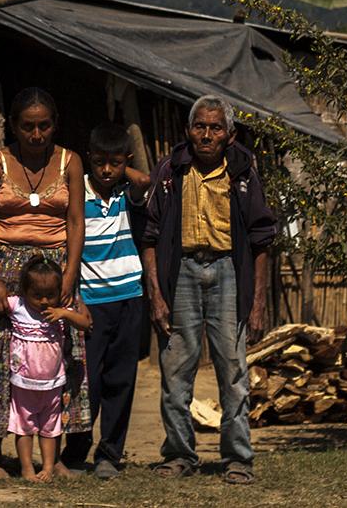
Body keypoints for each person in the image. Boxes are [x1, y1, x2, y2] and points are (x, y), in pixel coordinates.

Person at [0, 87, 92, 479]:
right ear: (13, 126)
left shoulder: (70, 162)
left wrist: (71, 276)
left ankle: (51, 459)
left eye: (44, 126)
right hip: (3, 267)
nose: (36, 134)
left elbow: (76, 221)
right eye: (28, 127)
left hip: (53, 270)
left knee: (54, 360)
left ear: (54, 125)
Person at [139, 95, 277, 485]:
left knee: (233, 371)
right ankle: (180, 454)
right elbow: (148, 235)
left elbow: (262, 239)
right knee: (176, 370)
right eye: (200, 126)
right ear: (188, 130)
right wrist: (156, 295)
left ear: (229, 135)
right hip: (179, 271)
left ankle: (237, 459)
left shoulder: (244, 172)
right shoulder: (170, 171)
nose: (206, 134)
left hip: (228, 271)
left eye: (216, 128)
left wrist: (258, 302)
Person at [62, 121, 151, 478]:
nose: (106, 170)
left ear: (126, 161)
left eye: (114, 163)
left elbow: (144, 181)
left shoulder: (127, 192)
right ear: (88, 159)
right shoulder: (78, 192)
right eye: (99, 162)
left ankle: (109, 454)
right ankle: (77, 449)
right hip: (92, 302)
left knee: (121, 378)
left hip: (129, 297)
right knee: (87, 381)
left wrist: (120, 166)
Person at [6, 255, 93, 481]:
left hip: (53, 383)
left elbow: (85, 323)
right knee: (23, 427)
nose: (44, 301)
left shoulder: (60, 312)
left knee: (50, 428)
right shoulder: (18, 306)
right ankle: (27, 469)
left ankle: (47, 467)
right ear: (25, 292)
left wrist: (64, 313)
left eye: (50, 295)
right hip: (23, 382)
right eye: (37, 295)